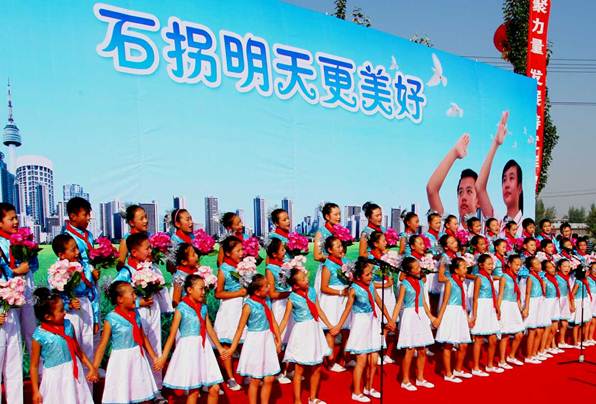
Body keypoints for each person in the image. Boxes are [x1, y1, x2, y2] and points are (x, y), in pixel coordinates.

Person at [157, 274, 228, 404]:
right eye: (201, 289)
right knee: (194, 391)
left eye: (204, 289)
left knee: (215, 388)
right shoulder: (181, 308)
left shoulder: (203, 307)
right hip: (189, 350)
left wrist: (220, 347)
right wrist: (163, 357)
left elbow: (209, 329)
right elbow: (172, 334)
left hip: (204, 349)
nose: (203, 292)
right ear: (189, 290)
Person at [334, 258, 395, 402]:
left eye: (371, 273)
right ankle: (356, 392)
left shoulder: (371, 286)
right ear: (358, 276)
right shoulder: (354, 289)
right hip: (361, 324)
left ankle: (369, 387)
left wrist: (390, 319)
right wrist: (338, 326)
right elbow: (347, 310)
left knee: (373, 360)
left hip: (372, 322)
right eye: (367, 274)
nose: (371, 276)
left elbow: (379, 302)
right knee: (361, 360)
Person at [93, 281, 160, 403]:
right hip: (121, 362)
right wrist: (94, 368)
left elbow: (143, 337)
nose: (135, 297)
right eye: (132, 294)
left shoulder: (136, 314)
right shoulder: (111, 319)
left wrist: (154, 357)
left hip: (138, 358)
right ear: (120, 299)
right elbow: (102, 346)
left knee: (142, 394)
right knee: (123, 395)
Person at [30, 288, 97, 404]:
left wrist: (91, 367)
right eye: (61, 310)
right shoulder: (39, 336)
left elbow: (78, 350)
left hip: (73, 374)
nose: (65, 312)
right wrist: (36, 391)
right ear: (48, 317)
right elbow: (34, 366)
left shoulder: (68, 325)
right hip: (54, 378)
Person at [280, 268, 333, 404]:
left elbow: (318, 309)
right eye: (303, 279)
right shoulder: (292, 299)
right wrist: (277, 337)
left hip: (314, 331)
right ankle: (297, 400)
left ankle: (313, 398)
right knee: (299, 368)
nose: (307, 280)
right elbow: (285, 320)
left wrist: (330, 325)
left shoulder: (312, 291)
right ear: (296, 285)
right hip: (302, 333)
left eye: (306, 277)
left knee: (317, 366)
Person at [50, 234, 96, 383]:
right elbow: (54, 296)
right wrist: (67, 304)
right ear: (61, 255)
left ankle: (88, 388)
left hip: (85, 306)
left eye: (77, 248)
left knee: (88, 345)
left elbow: (92, 290)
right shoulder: (56, 271)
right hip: (70, 313)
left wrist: (95, 316)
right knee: (73, 347)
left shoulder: (83, 267)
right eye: (73, 250)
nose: (77, 252)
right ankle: (72, 386)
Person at [229, 274, 282, 404]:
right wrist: (232, 348)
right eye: (266, 286)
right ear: (257, 291)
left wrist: (278, 339)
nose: (269, 287)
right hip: (255, 342)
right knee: (255, 379)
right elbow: (240, 328)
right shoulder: (248, 306)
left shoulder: (267, 301)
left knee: (269, 378)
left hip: (267, 339)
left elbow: (273, 321)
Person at [393, 257, 438, 391]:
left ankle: (420, 378)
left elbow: (423, 301)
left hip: (421, 315)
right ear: (409, 270)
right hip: (409, 315)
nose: (420, 269)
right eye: (416, 267)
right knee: (410, 350)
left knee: (422, 350)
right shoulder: (404, 284)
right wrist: (393, 320)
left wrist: (431, 317)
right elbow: (399, 303)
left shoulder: (420, 282)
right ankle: (405, 380)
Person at [0, 202, 40, 355]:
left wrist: (30, 258)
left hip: (26, 289)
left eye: (16, 218)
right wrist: (17, 271)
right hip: (9, 293)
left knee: (31, 328)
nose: (16, 222)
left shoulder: (24, 240)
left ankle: (37, 365)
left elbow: (34, 266)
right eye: (11, 219)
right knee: (11, 332)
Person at [64, 197, 100, 342]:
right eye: (85, 215)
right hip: (79, 284)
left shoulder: (89, 235)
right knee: (79, 330)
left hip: (92, 279)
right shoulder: (66, 237)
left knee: (93, 327)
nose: (89, 218)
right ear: (73, 216)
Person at [213, 236, 247, 391]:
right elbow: (218, 293)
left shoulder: (243, 266)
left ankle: (246, 373)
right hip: (229, 309)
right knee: (227, 342)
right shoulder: (224, 269)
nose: (241, 253)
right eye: (238, 251)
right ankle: (230, 377)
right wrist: (238, 293)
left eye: (242, 250)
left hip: (243, 306)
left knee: (244, 341)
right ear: (227, 253)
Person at [435, 257, 473, 383]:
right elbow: (445, 302)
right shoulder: (449, 282)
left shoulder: (462, 282)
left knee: (464, 344)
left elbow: (464, 302)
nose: (466, 269)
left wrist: (467, 317)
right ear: (456, 270)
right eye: (463, 267)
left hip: (460, 313)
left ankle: (458, 369)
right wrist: (439, 319)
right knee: (449, 344)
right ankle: (448, 373)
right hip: (451, 313)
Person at [319, 236, 351, 372]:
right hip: (332, 300)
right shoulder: (327, 266)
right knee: (332, 330)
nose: (341, 248)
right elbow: (323, 287)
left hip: (344, 298)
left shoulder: (345, 262)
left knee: (346, 329)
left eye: (341, 246)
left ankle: (344, 358)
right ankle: (330, 361)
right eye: (337, 246)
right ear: (330, 250)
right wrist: (340, 292)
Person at [265, 238, 292, 384]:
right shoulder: (270, 269)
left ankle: (287, 369)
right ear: (274, 254)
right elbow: (272, 294)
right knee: (279, 336)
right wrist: (289, 293)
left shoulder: (286, 266)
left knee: (289, 334)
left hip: (288, 303)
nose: (285, 251)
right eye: (282, 249)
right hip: (279, 305)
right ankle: (275, 371)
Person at [469, 254, 502, 376]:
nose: (491, 266)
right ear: (481, 265)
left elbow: (494, 295)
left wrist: (497, 308)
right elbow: (475, 298)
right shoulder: (479, 278)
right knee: (478, 339)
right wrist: (474, 315)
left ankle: (490, 365)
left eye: (492, 264)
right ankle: (476, 367)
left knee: (493, 338)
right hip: (481, 308)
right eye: (488, 264)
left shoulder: (490, 277)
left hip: (490, 308)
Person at [496, 255, 524, 369]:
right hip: (505, 305)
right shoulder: (504, 277)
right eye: (516, 264)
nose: (518, 267)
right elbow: (500, 294)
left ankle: (511, 356)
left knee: (519, 334)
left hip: (514, 306)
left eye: (520, 265)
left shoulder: (515, 278)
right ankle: (502, 360)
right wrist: (498, 309)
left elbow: (517, 295)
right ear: (509, 264)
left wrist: (520, 309)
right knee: (505, 334)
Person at [523, 256, 546, 364]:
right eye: (536, 264)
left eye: (539, 263)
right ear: (531, 268)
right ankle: (529, 356)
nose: (539, 265)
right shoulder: (530, 278)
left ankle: (535, 353)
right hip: (533, 302)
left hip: (540, 302)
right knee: (532, 330)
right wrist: (526, 308)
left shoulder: (538, 277)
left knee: (539, 329)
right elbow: (527, 293)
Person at [117, 205, 148, 269]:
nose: (145, 221)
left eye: (146, 217)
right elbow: (120, 265)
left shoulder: (150, 237)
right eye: (141, 219)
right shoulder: (126, 240)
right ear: (131, 223)